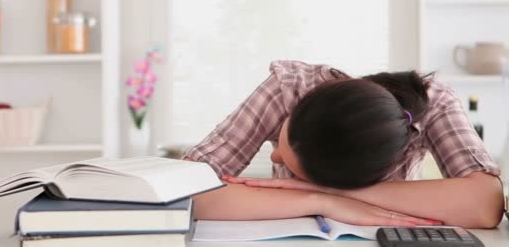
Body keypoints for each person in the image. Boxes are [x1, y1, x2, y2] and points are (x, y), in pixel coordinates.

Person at [184, 61, 505, 228]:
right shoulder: (288, 89)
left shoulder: (431, 103)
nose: (275, 155)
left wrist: (340, 194)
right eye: (281, 136)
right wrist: (321, 202)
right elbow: (182, 190)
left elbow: (485, 204)